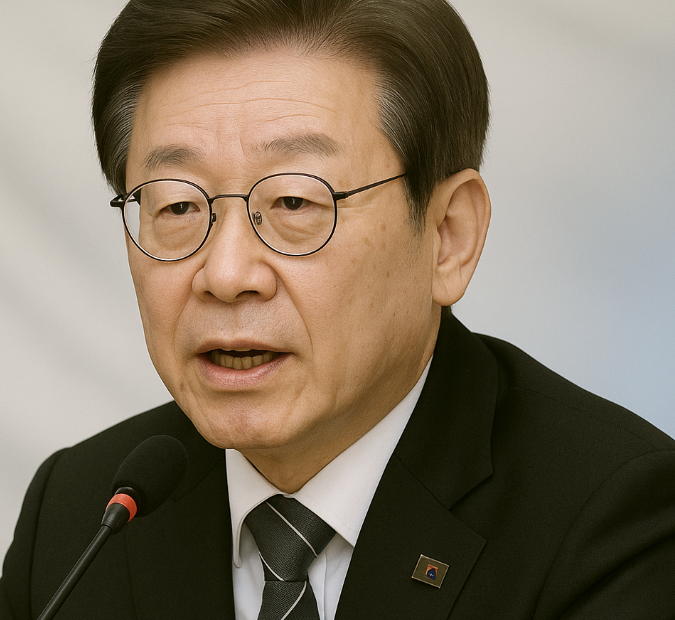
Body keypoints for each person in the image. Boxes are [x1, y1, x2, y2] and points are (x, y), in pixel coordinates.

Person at [1, 0, 674, 618]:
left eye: (295, 202)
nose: (226, 275)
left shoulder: (612, 522)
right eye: (177, 205)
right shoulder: (78, 514)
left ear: (448, 236)